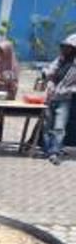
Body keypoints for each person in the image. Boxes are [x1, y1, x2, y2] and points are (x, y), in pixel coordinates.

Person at [42, 34, 76, 165]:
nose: (66, 49)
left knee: (59, 127)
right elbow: (50, 71)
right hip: (50, 97)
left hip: (65, 99)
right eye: (64, 46)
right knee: (46, 125)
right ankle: (47, 150)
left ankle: (55, 152)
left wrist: (68, 90)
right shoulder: (60, 60)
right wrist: (46, 74)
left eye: (69, 47)